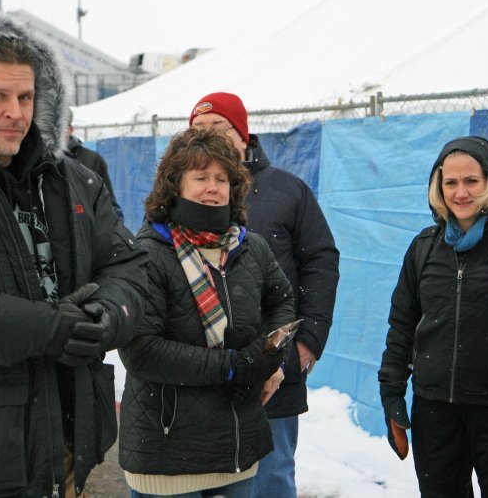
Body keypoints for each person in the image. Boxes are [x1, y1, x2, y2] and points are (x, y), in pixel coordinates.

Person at [0, 14, 147, 497]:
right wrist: (47, 327)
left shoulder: (76, 180)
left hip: (68, 442)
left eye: (26, 97)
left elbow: (129, 265)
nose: (16, 113)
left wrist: (106, 315)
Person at [118, 128, 295, 498]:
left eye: (221, 178)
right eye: (200, 177)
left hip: (236, 452)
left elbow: (282, 302)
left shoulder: (251, 247)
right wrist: (232, 366)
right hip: (168, 457)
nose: (213, 187)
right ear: (175, 186)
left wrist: (273, 358)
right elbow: (142, 352)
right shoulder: (149, 252)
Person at [189, 92, 340, 498]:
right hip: (204, 373)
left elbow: (320, 261)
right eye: (198, 131)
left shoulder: (287, 190)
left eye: (218, 128)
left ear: (242, 135)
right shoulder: (179, 197)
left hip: (275, 362)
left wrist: (308, 339)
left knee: (270, 481)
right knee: (212, 482)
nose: (208, 139)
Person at [378, 136, 488, 497]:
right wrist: (392, 393)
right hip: (435, 411)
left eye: (472, 181)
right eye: (450, 182)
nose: (461, 192)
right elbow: (402, 326)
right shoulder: (423, 248)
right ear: (438, 187)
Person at [67, 108, 124, 219]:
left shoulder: (92, 160)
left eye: (60, 127)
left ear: (70, 129)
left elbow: (110, 207)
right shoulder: (37, 161)